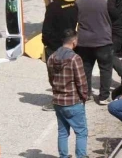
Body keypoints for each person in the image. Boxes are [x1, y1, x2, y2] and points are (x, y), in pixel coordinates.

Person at [47, 29, 88, 158]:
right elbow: (81, 82)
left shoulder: (51, 57)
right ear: (74, 41)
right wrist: (84, 97)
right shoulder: (75, 58)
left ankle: (63, 156)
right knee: (81, 132)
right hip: (73, 101)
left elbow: (51, 79)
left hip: (58, 101)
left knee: (63, 132)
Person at [74, 0, 113, 105]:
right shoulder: (106, 2)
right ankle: (103, 96)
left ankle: (86, 94)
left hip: (84, 41)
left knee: (86, 68)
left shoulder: (78, 1)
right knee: (105, 69)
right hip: (103, 41)